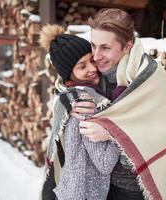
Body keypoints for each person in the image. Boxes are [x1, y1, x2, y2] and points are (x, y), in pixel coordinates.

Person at [72, 8, 166, 200]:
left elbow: (162, 133)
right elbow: (67, 82)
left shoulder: (151, 78)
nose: (95, 56)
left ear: (127, 46)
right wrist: (72, 102)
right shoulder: (95, 74)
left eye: (105, 47)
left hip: (134, 188)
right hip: (95, 184)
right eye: (93, 46)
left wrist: (112, 133)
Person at [39, 24, 120, 200]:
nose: (92, 68)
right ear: (69, 76)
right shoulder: (85, 104)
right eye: (82, 66)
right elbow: (105, 163)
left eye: (92, 60)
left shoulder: (70, 97)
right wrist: (119, 131)